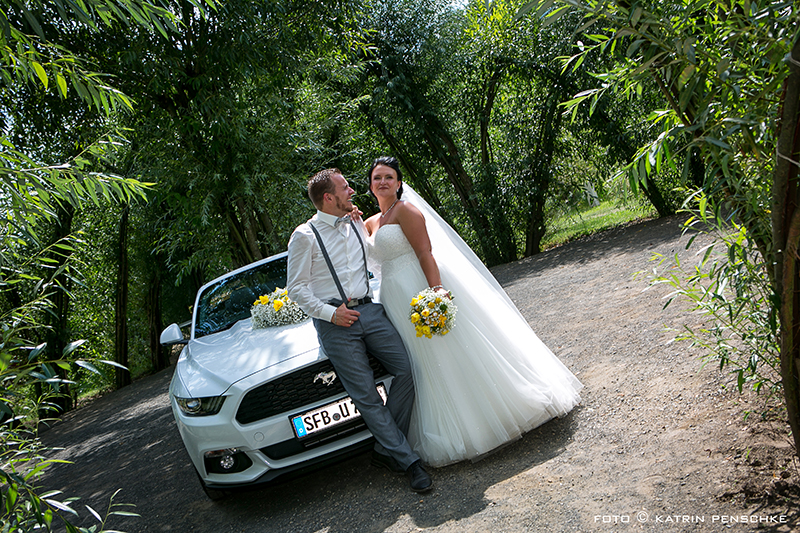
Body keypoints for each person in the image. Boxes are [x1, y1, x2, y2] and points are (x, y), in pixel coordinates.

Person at [364, 156, 583, 467]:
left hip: (417, 287)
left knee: (451, 350)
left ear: (399, 183)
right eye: (377, 178)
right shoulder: (370, 223)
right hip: (394, 297)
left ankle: (496, 413)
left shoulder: (406, 211)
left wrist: (436, 291)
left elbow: (425, 252)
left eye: (388, 177)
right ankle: (454, 421)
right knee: (424, 360)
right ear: (370, 185)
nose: (382, 182)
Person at [286, 168, 433, 493]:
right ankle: (409, 462)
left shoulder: (354, 220)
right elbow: (296, 289)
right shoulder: (304, 236)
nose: (352, 190)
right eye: (345, 187)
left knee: (406, 369)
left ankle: (384, 448)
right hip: (335, 323)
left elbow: (377, 258)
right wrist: (330, 313)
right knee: (366, 396)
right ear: (328, 197)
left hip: (370, 309)